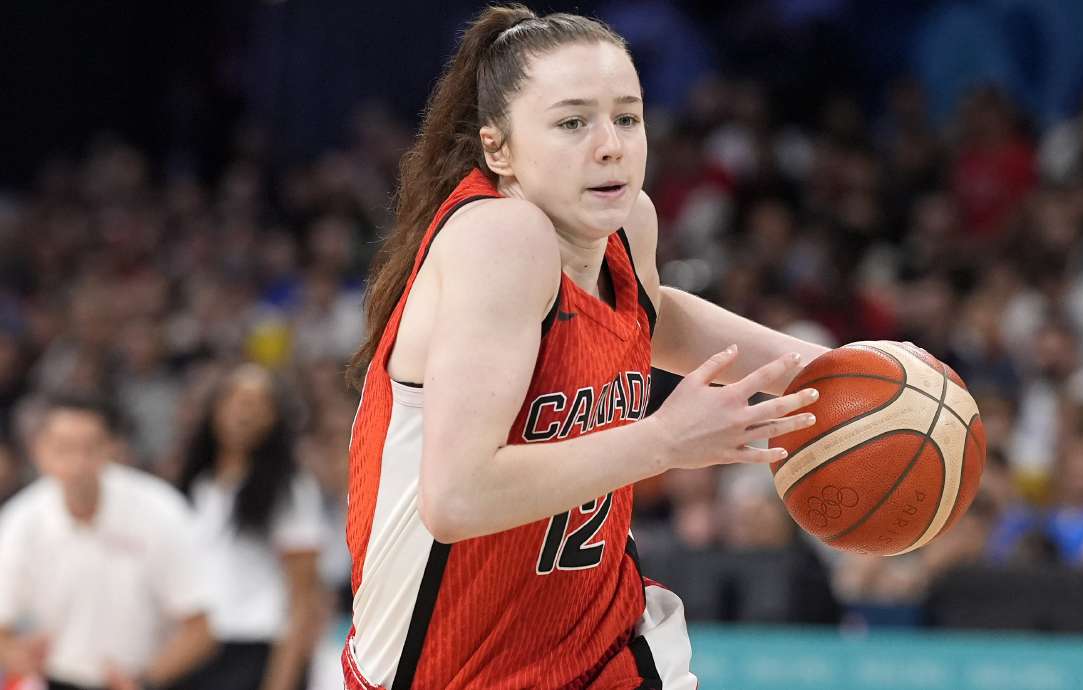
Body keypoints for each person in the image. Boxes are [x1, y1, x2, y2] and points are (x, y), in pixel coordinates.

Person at [343, 5, 827, 689]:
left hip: (602, 647)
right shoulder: (502, 238)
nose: (611, 146)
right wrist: (664, 441)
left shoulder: (629, 223)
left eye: (627, 118)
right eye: (573, 123)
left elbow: (646, 317)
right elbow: (455, 499)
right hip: (452, 673)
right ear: (498, 148)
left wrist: (831, 370)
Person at [0, 394, 214, 690]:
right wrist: (15, 652)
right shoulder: (20, 521)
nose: (77, 463)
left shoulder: (160, 509)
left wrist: (146, 681)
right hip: (60, 678)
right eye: (64, 448)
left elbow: (201, 630)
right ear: (40, 452)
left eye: (90, 448)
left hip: (151, 678)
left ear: (111, 448)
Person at [174, 364, 325, 690]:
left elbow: (302, 597)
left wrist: (282, 679)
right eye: (234, 399)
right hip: (197, 646)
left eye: (258, 403)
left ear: (275, 416)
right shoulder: (198, 484)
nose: (243, 411)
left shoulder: (291, 489)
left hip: (257, 646)